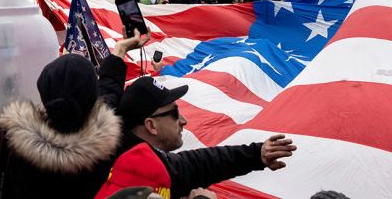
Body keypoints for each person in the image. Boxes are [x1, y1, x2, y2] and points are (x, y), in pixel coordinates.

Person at [103, 74, 295, 198]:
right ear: (151, 125)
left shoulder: (142, 159)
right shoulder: (133, 173)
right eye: (175, 113)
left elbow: (197, 164)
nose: (184, 120)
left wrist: (256, 154)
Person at [0, 54, 123, 197]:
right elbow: (109, 96)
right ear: (92, 97)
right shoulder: (108, 147)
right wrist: (118, 55)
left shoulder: (9, 141)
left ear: (43, 88)